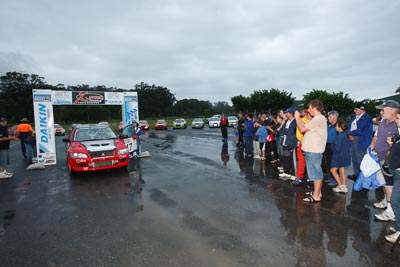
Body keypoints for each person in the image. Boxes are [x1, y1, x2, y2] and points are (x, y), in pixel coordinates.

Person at [370, 100, 399, 222]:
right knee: (384, 182)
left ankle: (390, 209)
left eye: (384, 109)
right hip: (379, 156)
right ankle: (387, 201)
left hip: (391, 160)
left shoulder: (397, 125)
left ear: (392, 111)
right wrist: (372, 146)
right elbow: (376, 136)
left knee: (390, 184)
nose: (381, 111)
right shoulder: (383, 122)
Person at [294, 100, 327, 203]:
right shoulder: (317, 119)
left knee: (316, 173)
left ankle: (316, 196)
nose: (308, 110)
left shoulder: (319, 119)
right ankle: (317, 192)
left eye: (309, 108)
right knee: (314, 173)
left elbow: (302, 129)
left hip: (314, 150)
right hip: (311, 150)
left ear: (314, 108)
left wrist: (297, 118)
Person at [384, 112, 400, 243]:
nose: (396, 121)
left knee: (395, 201)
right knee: (396, 201)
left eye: (399, 118)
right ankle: (398, 227)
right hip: (395, 171)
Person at [347, 102, 373, 180]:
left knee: (360, 157)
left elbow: (361, 129)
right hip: (353, 138)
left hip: (361, 140)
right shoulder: (355, 117)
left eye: (356, 109)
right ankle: (357, 173)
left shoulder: (366, 118)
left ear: (362, 109)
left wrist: (351, 134)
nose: (354, 111)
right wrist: (349, 134)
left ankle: (362, 175)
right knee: (354, 157)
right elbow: (349, 125)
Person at [330, 120, 351, 193]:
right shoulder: (346, 135)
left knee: (333, 170)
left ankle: (340, 185)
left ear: (339, 127)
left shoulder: (339, 136)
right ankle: (344, 185)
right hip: (345, 155)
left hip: (338, 156)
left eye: (336, 126)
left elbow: (337, 148)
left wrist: (332, 145)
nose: (335, 127)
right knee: (342, 170)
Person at [292, 109, 312, 186]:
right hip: (303, 144)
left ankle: (310, 177)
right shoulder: (301, 120)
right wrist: (305, 141)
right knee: (301, 161)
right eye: (309, 114)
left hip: (312, 145)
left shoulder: (314, 121)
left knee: (310, 162)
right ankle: (299, 177)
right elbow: (298, 134)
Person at [278, 107, 297, 181]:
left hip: (291, 142)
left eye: (287, 113)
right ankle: (287, 172)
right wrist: (285, 130)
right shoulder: (286, 121)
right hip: (285, 141)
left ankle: (293, 173)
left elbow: (290, 131)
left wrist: (285, 130)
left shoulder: (294, 121)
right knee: (285, 157)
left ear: (291, 113)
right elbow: (282, 131)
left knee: (291, 159)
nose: (286, 114)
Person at [324, 110, 339, 186]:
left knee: (334, 163)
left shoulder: (338, 127)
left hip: (334, 145)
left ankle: (335, 179)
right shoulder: (328, 125)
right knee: (328, 162)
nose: (328, 118)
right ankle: (330, 177)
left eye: (330, 116)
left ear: (335, 117)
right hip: (327, 145)